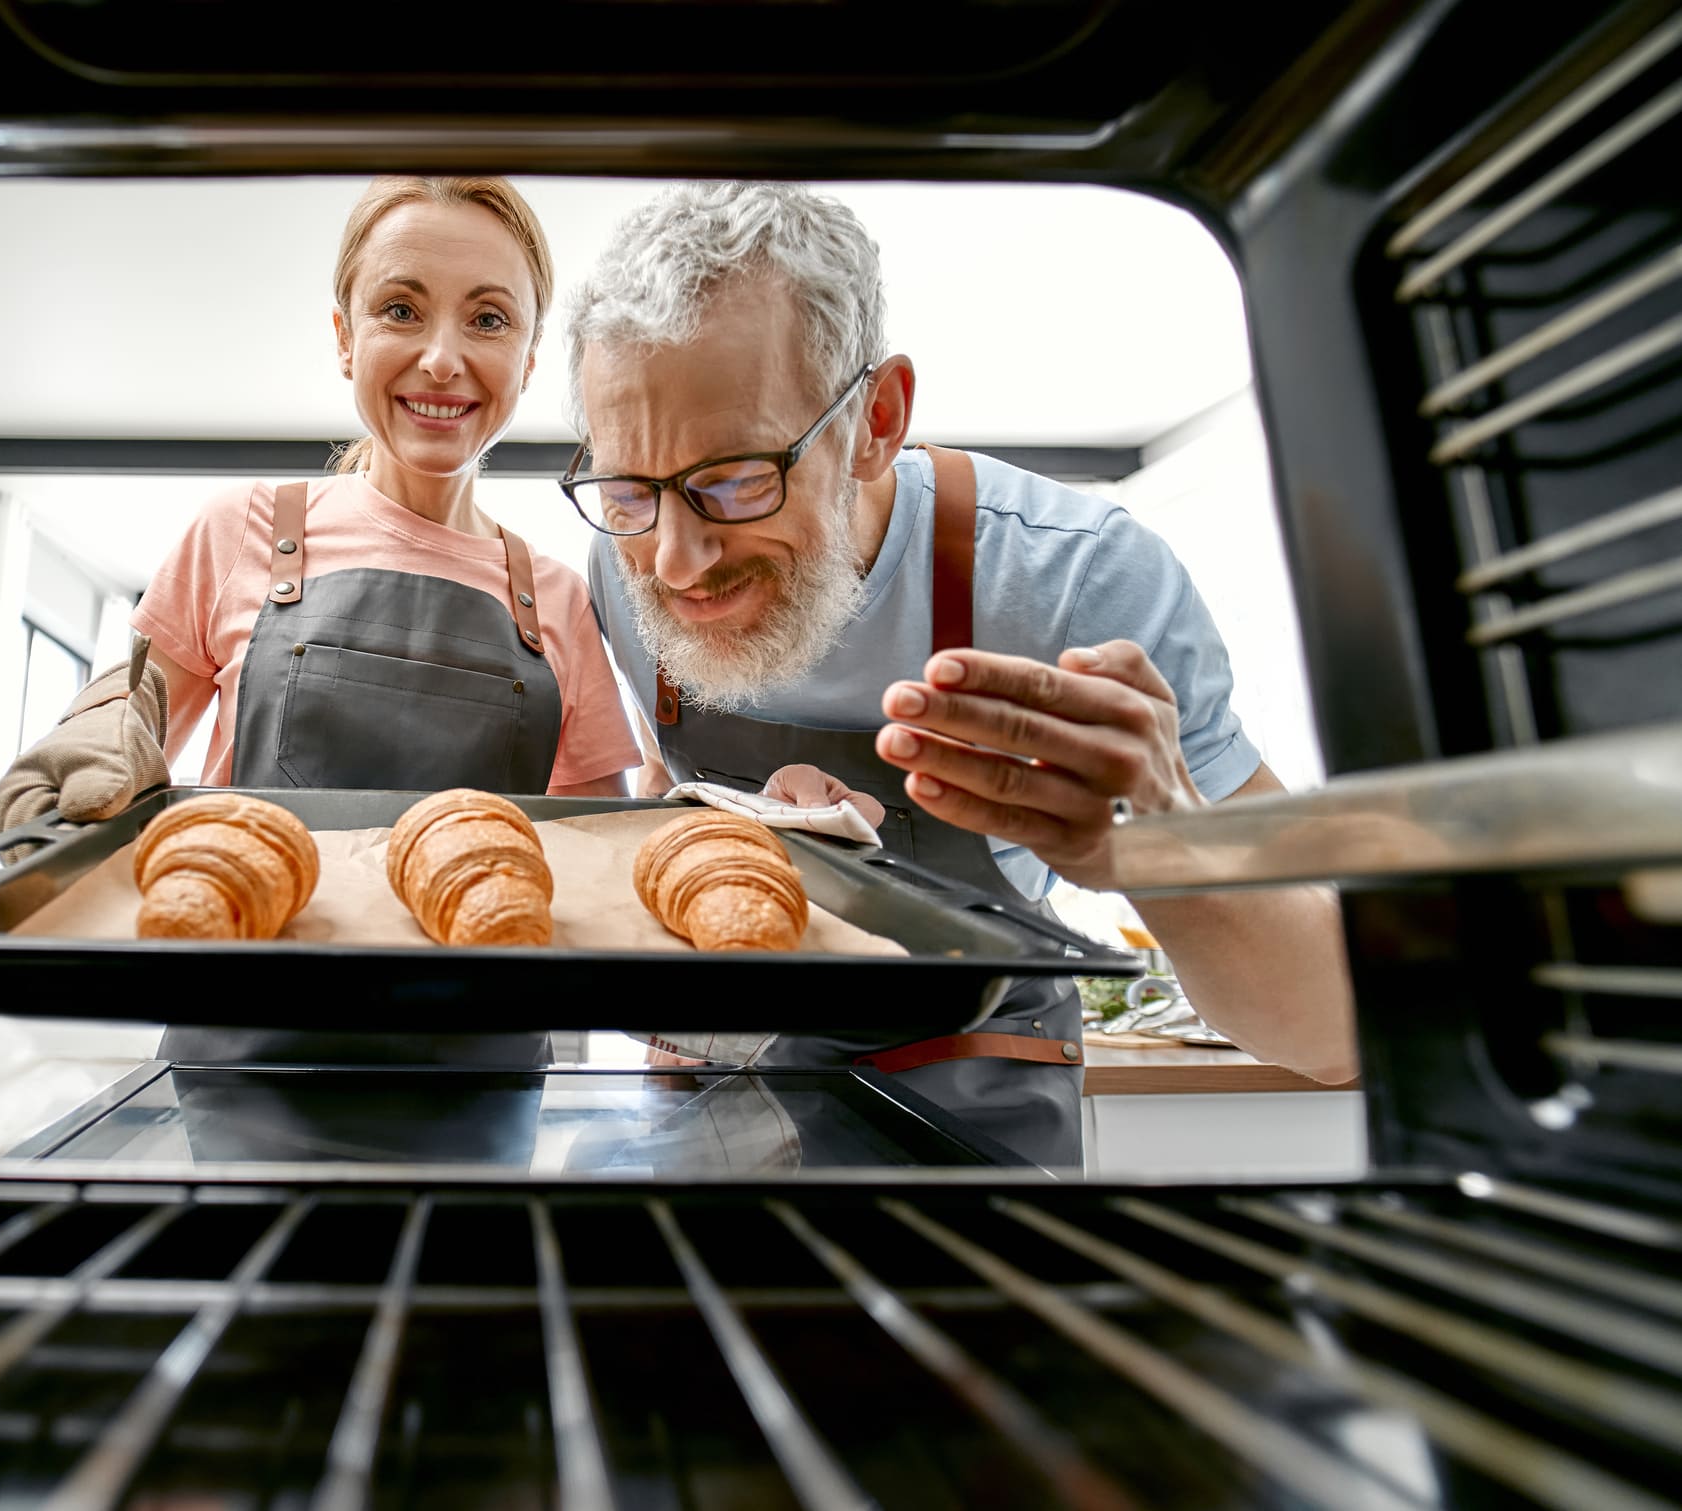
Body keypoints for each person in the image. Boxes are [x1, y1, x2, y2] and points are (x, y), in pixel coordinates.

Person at [562, 182, 1356, 1167]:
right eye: (633, 488)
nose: (677, 561)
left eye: (734, 480)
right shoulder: (620, 559)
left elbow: (1333, 1031)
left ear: (878, 417)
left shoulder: (1076, 580)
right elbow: (661, 802)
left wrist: (1161, 847)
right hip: (713, 1124)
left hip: (976, 1123)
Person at [0, 175, 639, 1074]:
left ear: (529, 361)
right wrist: (79, 766)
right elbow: (120, 742)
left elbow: (604, 877)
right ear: (345, 337)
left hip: (477, 1068)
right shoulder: (241, 529)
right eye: (401, 309)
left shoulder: (558, 596)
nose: (444, 358)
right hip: (236, 1048)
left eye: (488, 320)